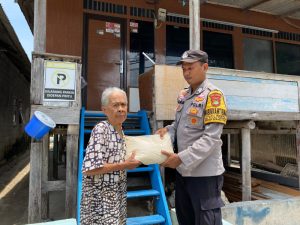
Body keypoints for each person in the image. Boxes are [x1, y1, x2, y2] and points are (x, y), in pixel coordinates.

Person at [156, 50, 227, 225]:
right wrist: (166, 132)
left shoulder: (213, 96)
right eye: (184, 69)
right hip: (183, 172)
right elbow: (178, 125)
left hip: (205, 175)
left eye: (190, 68)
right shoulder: (184, 95)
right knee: (184, 217)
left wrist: (180, 158)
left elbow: (211, 139)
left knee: (205, 221)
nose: (186, 73)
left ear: (205, 67)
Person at [80, 87, 141, 225]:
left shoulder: (120, 130)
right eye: (115, 105)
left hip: (116, 197)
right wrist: (125, 165)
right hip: (100, 202)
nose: (121, 109)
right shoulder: (101, 129)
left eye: (123, 104)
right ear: (104, 110)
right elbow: (89, 169)